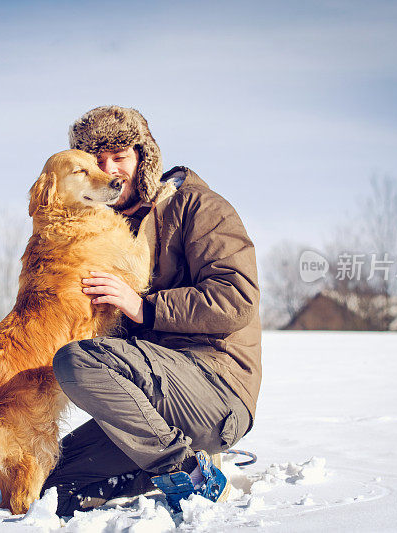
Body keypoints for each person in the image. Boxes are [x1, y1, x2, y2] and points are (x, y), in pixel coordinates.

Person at [41, 105, 262, 515]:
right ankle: (171, 461)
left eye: (119, 156)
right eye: (96, 160)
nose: (109, 169)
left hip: (216, 385)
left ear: (144, 159)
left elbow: (236, 298)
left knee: (77, 362)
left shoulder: (198, 206)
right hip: (149, 392)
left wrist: (143, 307)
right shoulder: (109, 230)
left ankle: (192, 475)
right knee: (47, 479)